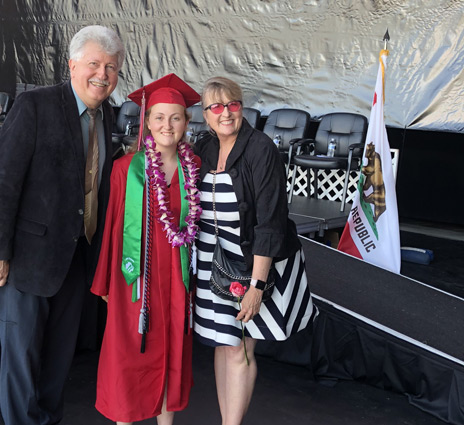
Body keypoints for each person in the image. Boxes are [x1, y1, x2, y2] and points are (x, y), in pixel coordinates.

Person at [0, 26, 125, 425]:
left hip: (76, 259)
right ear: (72, 64)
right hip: (28, 260)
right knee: (22, 363)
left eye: (111, 67)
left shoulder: (106, 115)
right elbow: (2, 183)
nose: (103, 74)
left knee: (58, 362)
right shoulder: (35, 105)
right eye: (94, 64)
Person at [193, 76, 317, 425]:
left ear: (242, 106)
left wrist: (257, 287)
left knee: (240, 347)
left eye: (233, 104)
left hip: (254, 264)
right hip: (213, 262)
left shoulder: (261, 148)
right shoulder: (204, 148)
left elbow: (270, 224)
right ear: (205, 114)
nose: (226, 113)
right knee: (223, 342)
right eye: (216, 106)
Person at [90, 74, 202, 425]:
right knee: (128, 353)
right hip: (135, 278)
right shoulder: (126, 170)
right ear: (146, 121)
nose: (167, 125)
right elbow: (110, 228)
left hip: (178, 280)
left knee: (171, 351)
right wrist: (107, 281)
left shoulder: (194, 169)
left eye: (175, 117)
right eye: (159, 117)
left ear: (185, 122)